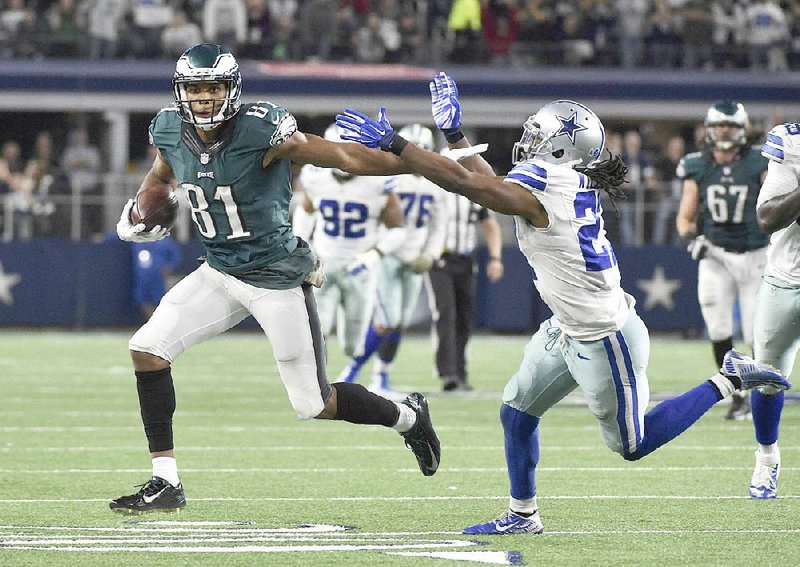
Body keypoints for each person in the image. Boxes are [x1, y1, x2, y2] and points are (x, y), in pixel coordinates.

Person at [335, 71, 791, 534]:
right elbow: (490, 187)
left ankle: (727, 378)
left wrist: (399, 145)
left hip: (604, 334)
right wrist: (453, 133)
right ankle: (523, 514)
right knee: (516, 412)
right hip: (569, 325)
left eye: (537, 133)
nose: (527, 139)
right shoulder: (558, 176)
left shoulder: (548, 183)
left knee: (633, 444)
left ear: (559, 146)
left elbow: (472, 186)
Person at [109, 44, 440, 515]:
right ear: (181, 92)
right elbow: (161, 175)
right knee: (148, 349)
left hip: (275, 276)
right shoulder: (168, 128)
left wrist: (412, 161)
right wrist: (146, 203)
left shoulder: (262, 129)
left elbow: (344, 157)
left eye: (213, 88)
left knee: (314, 403)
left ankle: (408, 416)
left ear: (231, 89)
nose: (204, 98)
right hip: (221, 270)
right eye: (195, 89)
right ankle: (166, 481)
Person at [337, 124, 448, 399]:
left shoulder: (437, 184)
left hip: (414, 261)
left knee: (399, 323)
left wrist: (431, 255)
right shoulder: (390, 179)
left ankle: (381, 377)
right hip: (388, 257)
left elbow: (439, 226)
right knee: (387, 320)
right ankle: (350, 372)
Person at [675, 101, 769, 421]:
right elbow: (685, 217)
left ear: (743, 130)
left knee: (757, 332)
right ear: (709, 129)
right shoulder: (697, 165)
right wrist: (692, 238)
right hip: (716, 255)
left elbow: (775, 204)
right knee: (718, 327)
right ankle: (737, 394)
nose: (725, 132)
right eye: (720, 127)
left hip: (757, 254)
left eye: (731, 127)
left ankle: (760, 395)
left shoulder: (760, 162)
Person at [292, 123, 406, 373]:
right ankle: (315, 382)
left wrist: (374, 256)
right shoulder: (316, 176)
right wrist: (303, 247)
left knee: (352, 343)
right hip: (324, 263)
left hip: (360, 267)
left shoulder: (378, 181)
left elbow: (398, 229)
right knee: (317, 327)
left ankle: (351, 366)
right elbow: (305, 212)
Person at [748, 121, 800, 498]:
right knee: (767, 377)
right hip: (787, 277)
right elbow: (767, 218)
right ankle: (767, 460)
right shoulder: (792, 142)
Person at [428, 190, 503, 392]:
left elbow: (490, 225)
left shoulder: (472, 193)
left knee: (464, 317)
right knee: (446, 313)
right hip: (438, 260)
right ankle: (448, 373)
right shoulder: (434, 191)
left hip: (466, 261)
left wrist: (495, 258)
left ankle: (460, 373)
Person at [132, 235, 182, 320]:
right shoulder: (137, 239)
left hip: (158, 275)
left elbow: (176, 255)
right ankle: (152, 320)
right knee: (141, 299)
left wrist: (169, 267)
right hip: (142, 276)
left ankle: (160, 321)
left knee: (158, 299)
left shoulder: (164, 239)